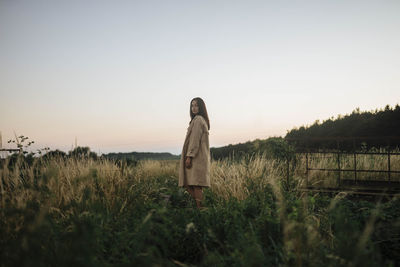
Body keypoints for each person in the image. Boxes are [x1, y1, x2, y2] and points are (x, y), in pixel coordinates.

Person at [178, 97, 211, 209]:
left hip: (196, 157)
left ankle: (201, 208)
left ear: (201, 107)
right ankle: (200, 207)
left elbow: (195, 140)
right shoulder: (200, 120)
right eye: (192, 105)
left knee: (194, 184)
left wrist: (189, 156)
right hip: (199, 157)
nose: (194, 108)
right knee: (194, 184)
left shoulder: (198, 120)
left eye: (196, 105)